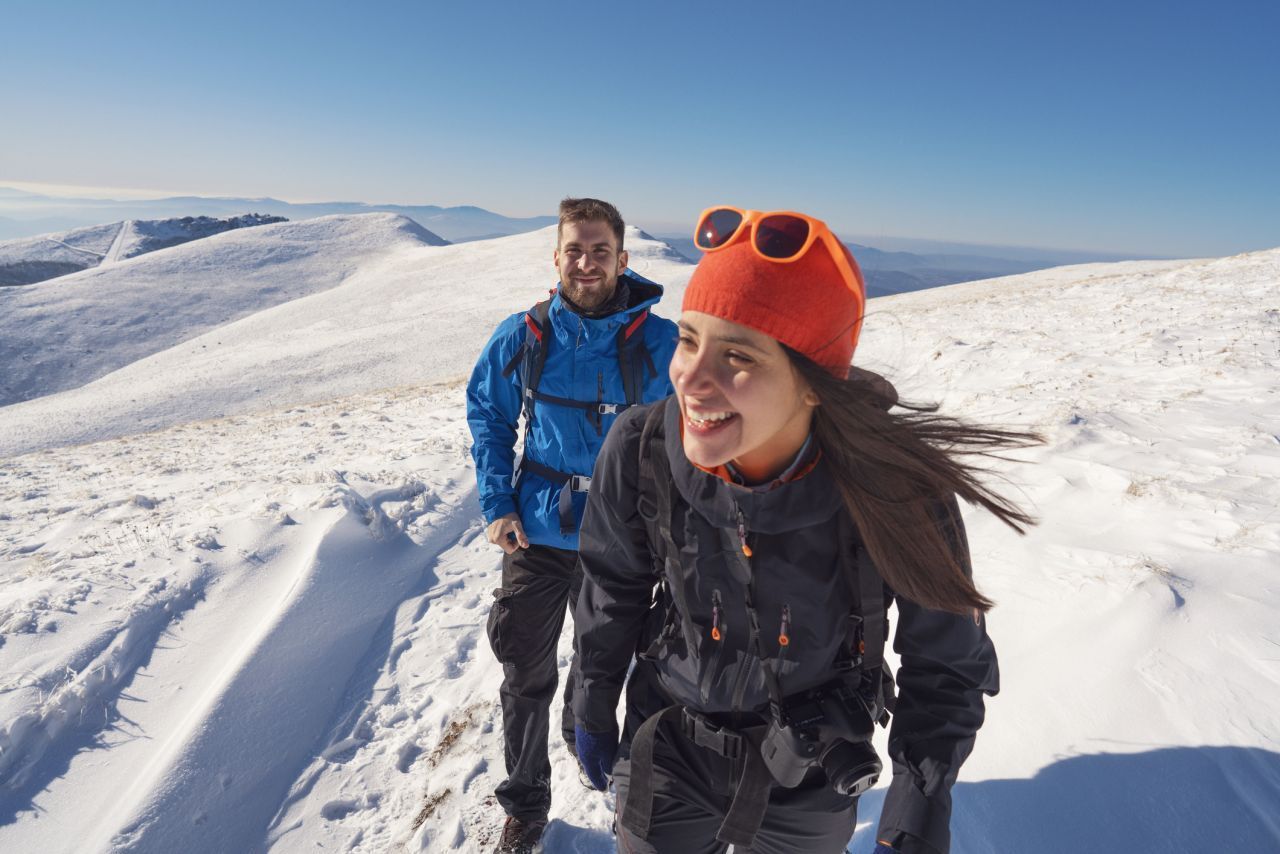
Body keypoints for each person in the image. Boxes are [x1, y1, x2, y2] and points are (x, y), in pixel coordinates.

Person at [571, 206, 1039, 854]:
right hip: (671, 743)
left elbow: (945, 664)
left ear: (815, 385)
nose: (690, 379)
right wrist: (592, 704)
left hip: (815, 764)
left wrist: (916, 808)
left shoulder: (893, 490)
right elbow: (612, 586)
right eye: (688, 339)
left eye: (736, 355)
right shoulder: (642, 448)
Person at [466, 197, 679, 854]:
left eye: (600, 251)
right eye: (575, 250)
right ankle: (526, 803)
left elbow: (691, 436)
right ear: (556, 257)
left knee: (603, 665)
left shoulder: (661, 342)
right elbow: (490, 418)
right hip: (535, 535)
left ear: (623, 258)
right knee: (523, 670)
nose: (587, 263)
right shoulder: (525, 336)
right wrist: (498, 504)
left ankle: (591, 749)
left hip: (620, 539)